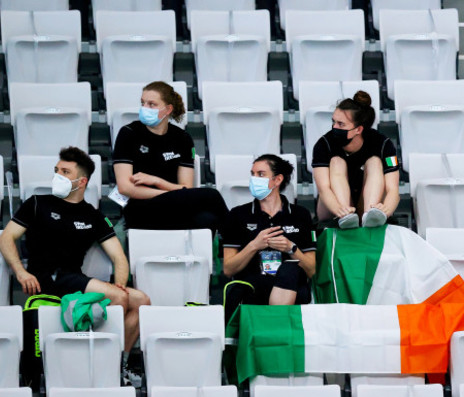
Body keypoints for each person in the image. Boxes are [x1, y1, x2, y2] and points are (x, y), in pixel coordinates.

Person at [0, 146, 150, 386]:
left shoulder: (93, 215)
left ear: (82, 181)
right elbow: (5, 239)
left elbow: (119, 258)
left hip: (72, 279)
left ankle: (117, 363)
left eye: (65, 171)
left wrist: (120, 285)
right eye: (56, 170)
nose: (58, 175)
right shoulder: (37, 203)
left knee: (141, 301)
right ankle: (101, 365)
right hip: (48, 279)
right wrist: (21, 272)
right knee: (118, 299)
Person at [112, 81, 228, 232]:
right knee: (211, 195)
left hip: (175, 206)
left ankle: (233, 250)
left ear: (168, 109)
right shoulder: (129, 133)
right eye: (143, 103)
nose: (144, 108)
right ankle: (243, 247)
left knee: (209, 220)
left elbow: (186, 187)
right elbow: (124, 188)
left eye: (151, 104)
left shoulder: (183, 138)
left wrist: (157, 181)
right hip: (140, 207)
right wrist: (168, 194)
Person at [221, 154, 316, 316]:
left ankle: (273, 322)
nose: (254, 179)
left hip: (290, 286)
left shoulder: (301, 215)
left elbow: (311, 270)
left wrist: (291, 248)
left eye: (260, 174)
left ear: (277, 180)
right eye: (252, 174)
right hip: (252, 285)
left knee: (289, 269)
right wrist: (254, 245)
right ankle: (275, 324)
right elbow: (228, 269)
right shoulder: (237, 215)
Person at [312, 90, 400, 229]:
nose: (334, 127)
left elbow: (393, 190)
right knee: (336, 162)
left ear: (358, 129)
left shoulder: (384, 144)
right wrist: (340, 210)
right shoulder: (324, 144)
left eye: (341, 124)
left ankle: (370, 216)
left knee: (375, 162)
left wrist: (385, 210)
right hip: (334, 208)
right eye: (333, 122)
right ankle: (346, 218)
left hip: (368, 203)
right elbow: (324, 189)